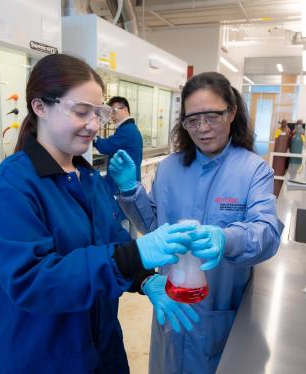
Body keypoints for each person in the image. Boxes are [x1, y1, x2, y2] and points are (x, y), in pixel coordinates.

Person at [0, 54, 206, 374]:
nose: (95, 126)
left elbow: (109, 237)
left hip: (98, 346)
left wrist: (143, 278)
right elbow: (34, 281)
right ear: (40, 107)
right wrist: (132, 256)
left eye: (99, 114)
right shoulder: (10, 186)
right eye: (82, 112)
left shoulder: (86, 176)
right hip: (39, 356)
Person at [108, 71, 283, 373]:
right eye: (192, 120)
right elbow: (153, 228)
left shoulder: (253, 170)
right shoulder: (169, 168)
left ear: (231, 112)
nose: (202, 128)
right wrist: (129, 190)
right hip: (172, 306)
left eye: (212, 116)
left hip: (220, 310)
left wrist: (226, 239)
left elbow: (266, 233)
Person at [93, 96, 143, 196]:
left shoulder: (127, 131)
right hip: (126, 181)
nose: (111, 116)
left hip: (121, 184)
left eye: (114, 111)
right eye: (110, 112)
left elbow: (106, 147)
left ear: (124, 110)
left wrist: (94, 136)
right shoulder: (130, 128)